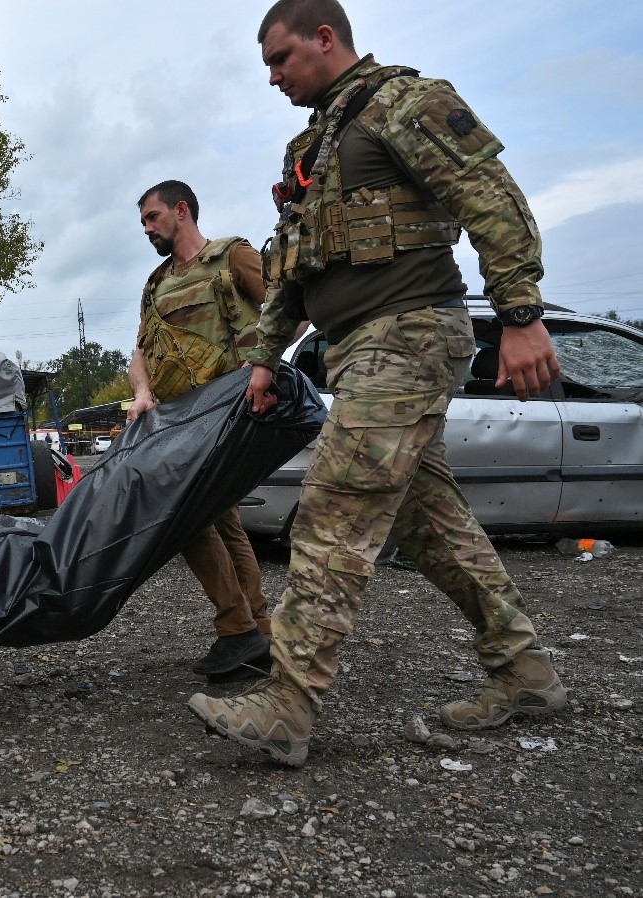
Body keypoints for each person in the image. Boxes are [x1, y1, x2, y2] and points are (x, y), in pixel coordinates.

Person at [188, 0, 566, 766]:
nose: (273, 77)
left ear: (325, 38)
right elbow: (291, 265)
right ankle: (523, 671)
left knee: (332, 507)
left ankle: (289, 704)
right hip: (356, 346)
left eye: (281, 58)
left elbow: (491, 197)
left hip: (410, 331)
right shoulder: (313, 147)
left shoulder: (405, 102)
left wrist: (521, 314)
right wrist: (264, 357)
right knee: (431, 525)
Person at [127, 180, 272, 678]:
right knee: (224, 523)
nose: (147, 228)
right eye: (143, 221)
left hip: (229, 414)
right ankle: (259, 633)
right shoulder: (155, 283)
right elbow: (140, 350)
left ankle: (238, 631)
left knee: (184, 518)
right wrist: (142, 392)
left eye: (153, 217)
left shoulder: (232, 257)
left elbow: (287, 311)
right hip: (180, 420)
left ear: (181, 210)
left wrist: (263, 364)